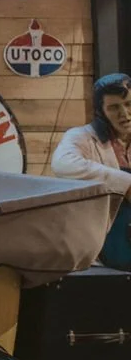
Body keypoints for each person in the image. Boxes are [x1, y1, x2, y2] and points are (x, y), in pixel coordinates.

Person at [52, 73, 131, 267]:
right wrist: (125, 183)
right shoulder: (82, 137)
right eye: (114, 107)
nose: (125, 114)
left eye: (129, 104)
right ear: (101, 111)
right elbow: (63, 163)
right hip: (105, 243)